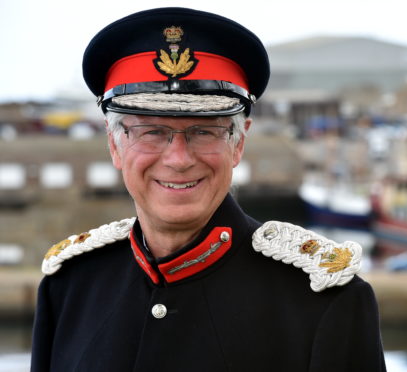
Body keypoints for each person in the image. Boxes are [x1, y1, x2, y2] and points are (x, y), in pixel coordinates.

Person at [31, 7, 386, 371]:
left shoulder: (325, 301)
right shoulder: (71, 285)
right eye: (151, 131)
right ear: (114, 145)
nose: (179, 158)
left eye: (204, 131)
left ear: (238, 143)